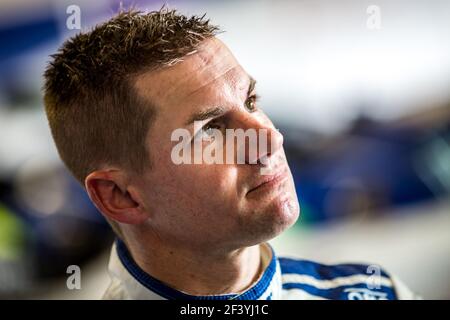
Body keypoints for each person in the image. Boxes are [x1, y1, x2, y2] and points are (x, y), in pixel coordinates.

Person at [43, 8, 416, 300]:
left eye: (251, 101)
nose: (269, 139)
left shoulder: (377, 293)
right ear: (121, 196)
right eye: (211, 129)